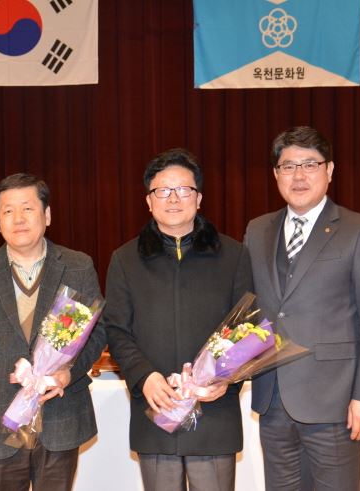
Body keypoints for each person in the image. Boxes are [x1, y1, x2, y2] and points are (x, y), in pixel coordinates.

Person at [244, 126, 360, 490]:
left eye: (310, 164)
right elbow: (249, 311)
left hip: (335, 402)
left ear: (329, 170)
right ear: (276, 174)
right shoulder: (257, 230)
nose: (299, 175)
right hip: (273, 400)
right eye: (288, 166)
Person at [102, 149, 253, 491]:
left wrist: (226, 380)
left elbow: (246, 328)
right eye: (162, 191)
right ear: (148, 201)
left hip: (214, 411)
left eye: (184, 189)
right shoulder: (125, 260)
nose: (173, 198)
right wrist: (144, 377)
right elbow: (117, 330)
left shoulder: (233, 255)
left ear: (198, 198)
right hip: (157, 408)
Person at [0, 173, 106, 491]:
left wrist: (68, 372)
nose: (18, 218)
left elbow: (98, 332)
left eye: (28, 208)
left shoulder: (77, 266)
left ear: (47, 215)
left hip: (59, 416)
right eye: (8, 211)